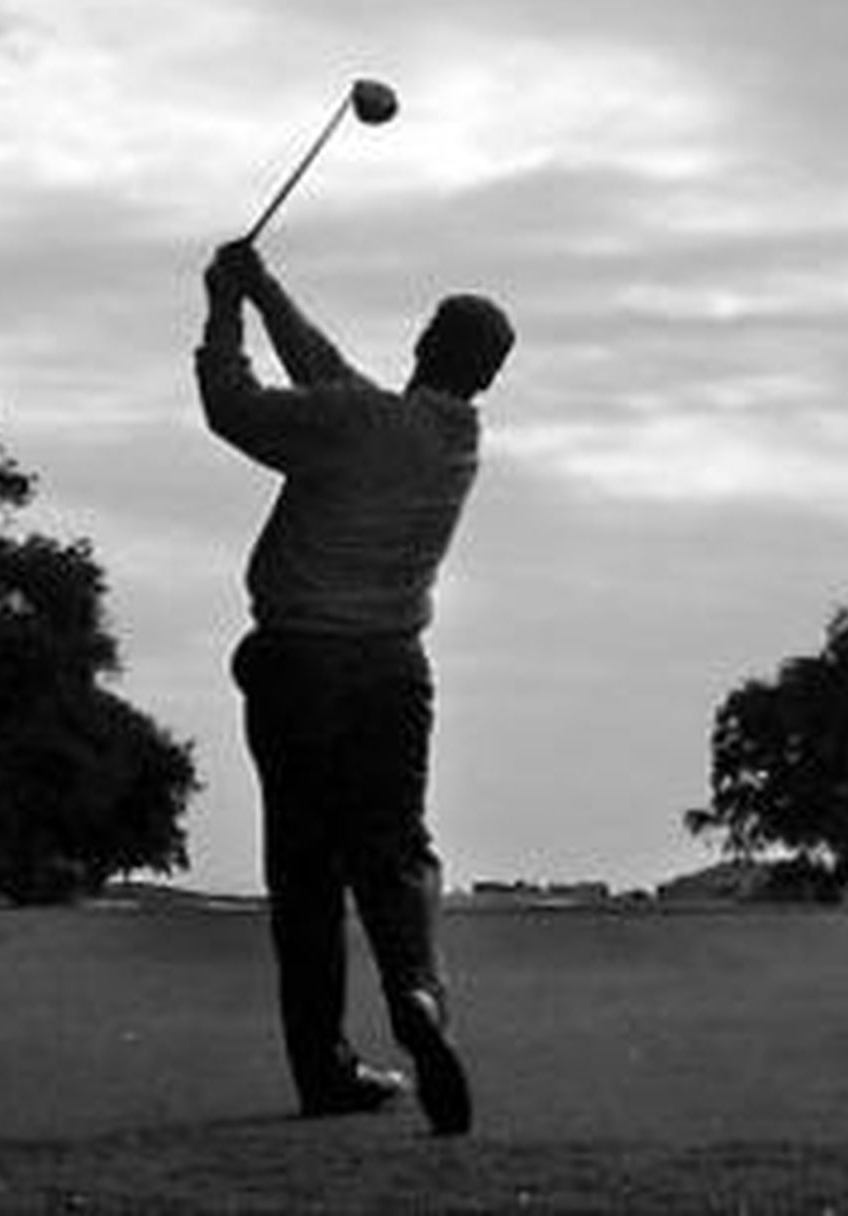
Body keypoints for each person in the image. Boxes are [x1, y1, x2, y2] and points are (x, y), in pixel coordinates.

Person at [196, 238, 514, 1136]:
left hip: (299, 664)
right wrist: (264, 289)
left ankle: (326, 1071)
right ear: (485, 377)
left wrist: (223, 308)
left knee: (304, 869)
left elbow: (235, 407)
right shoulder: (454, 440)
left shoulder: (359, 423)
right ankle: (416, 992)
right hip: (393, 671)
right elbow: (333, 380)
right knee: (394, 849)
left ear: (421, 343)